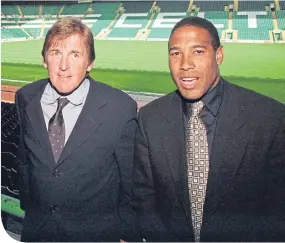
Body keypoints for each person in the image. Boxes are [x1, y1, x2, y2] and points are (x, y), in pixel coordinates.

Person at [133, 16, 285, 242]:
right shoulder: (149, 118)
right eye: (176, 53)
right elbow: (144, 199)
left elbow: (277, 209)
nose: (185, 64)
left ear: (219, 55)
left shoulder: (270, 118)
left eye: (198, 51)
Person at [15, 17, 137, 242]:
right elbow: (24, 160)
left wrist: (128, 235)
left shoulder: (120, 108)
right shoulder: (25, 97)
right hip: (36, 231)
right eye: (55, 53)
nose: (64, 65)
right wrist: (28, 204)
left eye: (75, 54)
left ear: (90, 63)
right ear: (44, 59)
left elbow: (130, 182)